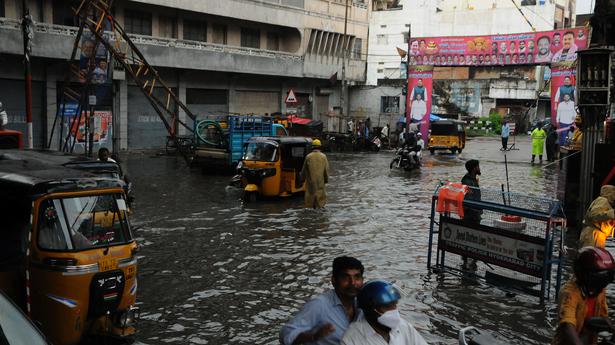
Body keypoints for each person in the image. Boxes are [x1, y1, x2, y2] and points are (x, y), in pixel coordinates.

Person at [280, 256, 364, 345]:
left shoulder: (365, 304)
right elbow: (286, 333)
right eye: (345, 277)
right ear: (334, 281)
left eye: (357, 277)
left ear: (362, 280)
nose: (352, 283)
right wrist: (313, 336)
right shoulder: (319, 305)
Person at [551, 247, 614, 345]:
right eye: (597, 281)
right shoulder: (570, 293)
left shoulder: (600, 290)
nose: (600, 288)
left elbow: (603, 317)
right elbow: (567, 325)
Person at [341, 280, 428, 345]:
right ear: (369, 310)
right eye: (387, 307)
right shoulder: (351, 340)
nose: (393, 311)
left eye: (394, 305)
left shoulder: (404, 326)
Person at [300, 139, 329, 209]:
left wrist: (302, 179)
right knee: (320, 204)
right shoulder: (323, 157)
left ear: (312, 147)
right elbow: (326, 171)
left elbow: (303, 170)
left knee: (310, 202)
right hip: (320, 183)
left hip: (310, 184)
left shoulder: (308, 157)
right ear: (320, 147)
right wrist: (326, 180)